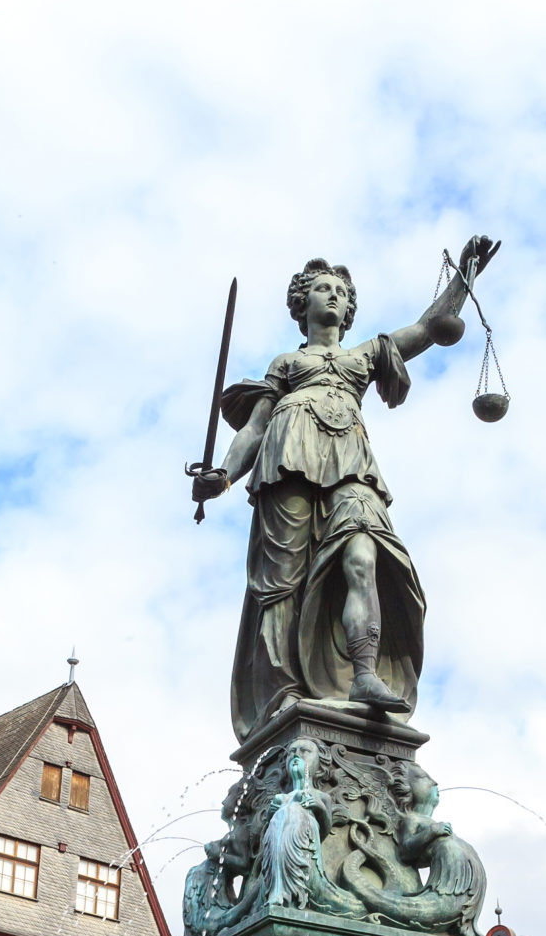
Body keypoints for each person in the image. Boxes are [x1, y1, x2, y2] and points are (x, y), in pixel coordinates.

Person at [191, 239, 500, 740]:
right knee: (282, 583)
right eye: (322, 288)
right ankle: (284, 692)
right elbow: (253, 429)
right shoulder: (287, 364)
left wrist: (462, 282)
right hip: (288, 459)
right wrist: (224, 477)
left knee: (364, 556)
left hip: (351, 462)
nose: (332, 296)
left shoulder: (364, 356)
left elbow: (427, 330)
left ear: (350, 308)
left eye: (340, 290)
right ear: (303, 303)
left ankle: (363, 674)